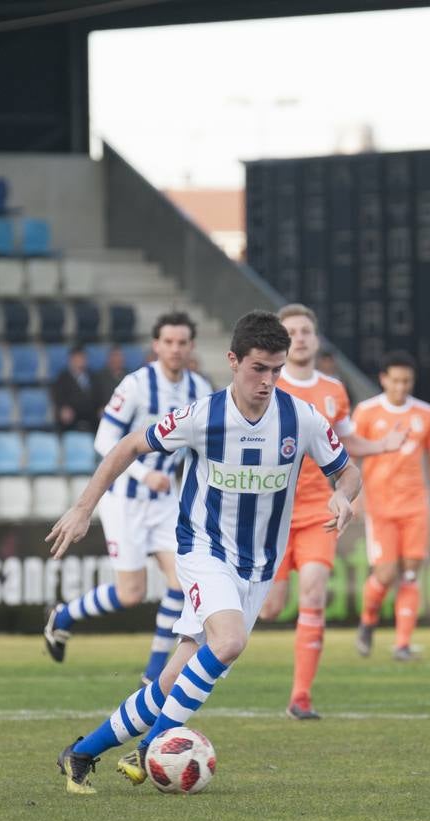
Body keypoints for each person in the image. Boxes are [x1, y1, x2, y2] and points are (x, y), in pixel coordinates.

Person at [46, 310, 359, 794]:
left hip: (257, 567)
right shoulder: (202, 417)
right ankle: (153, 746)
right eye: (259, 368)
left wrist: (344, 494)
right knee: (230, 641)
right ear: (233, 361)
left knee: (172, 681)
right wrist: (84, 508)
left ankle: (81, 753)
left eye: (276, 370)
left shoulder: (301, 417)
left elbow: (347, 470)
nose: (268, 381)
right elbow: (128, 445)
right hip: (204, 550)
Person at [43, 313, 211, 684]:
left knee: (181, 583)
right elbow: (104, 441)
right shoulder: (135, 386)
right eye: (168, 342)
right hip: (124, 499)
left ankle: (154, 674)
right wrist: (142, 473)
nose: (175, 349)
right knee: (130, 593)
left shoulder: (200, 389)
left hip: (167, 502)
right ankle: (65, 616)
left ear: (191, 346)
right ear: (156, 345)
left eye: (182, 342)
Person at [258, 304, 404, 720]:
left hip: (314, 509)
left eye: (306, 330)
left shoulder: (333, 391)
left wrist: (380, 447)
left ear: (316, 338)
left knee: (315, 592)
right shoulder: (265, 385)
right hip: (268, 513)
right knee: (268, 608)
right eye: (292, 331)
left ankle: (300, 697)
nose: (301, 337)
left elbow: (345, 443)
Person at [352, 351, 430, 662]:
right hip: (380, 506)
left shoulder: (426, 414)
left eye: (406, 381)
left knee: (410, 573)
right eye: (395, 380)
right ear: (384, 379)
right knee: (385, 573)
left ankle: (402, 644)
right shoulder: (366, 412)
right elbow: (352, 455)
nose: (401, 386)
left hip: (415, 506)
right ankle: (368, 622)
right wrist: (353, 495)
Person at [51, 346, 98, 433]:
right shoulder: (62, 378)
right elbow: (58, 397)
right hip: (72, 419)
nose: (80, 361)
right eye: (77, 358)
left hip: (91, 417)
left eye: (83, 358)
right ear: (71, 360)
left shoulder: (93, 377)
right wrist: (62, 409)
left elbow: (99, 397)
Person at [91, 345, 129, 415]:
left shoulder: (129, 376)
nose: (117, 360)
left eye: (119, 356)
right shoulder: (99, 377)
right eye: (114, 356)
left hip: (126, 412)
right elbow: (95, 399)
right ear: (109, 359)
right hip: (106, 413)